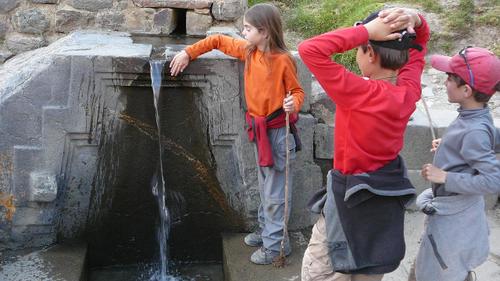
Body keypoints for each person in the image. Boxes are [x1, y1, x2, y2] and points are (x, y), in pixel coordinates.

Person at [298, 7, 430, 281]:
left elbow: (309, 49)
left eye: (359, 48)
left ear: (369, 52)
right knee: (370, 268)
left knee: (320, 270)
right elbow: (420, 46)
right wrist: (415, 19)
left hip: (349, 199)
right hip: (382, 201)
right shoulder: (408, 91)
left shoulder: (357, 92)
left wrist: (366, 31)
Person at [169, 3, 305, 265]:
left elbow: (297, 92)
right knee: (266, 186)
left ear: (265, 32)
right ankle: (268, 232)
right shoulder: (250, 51)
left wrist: (293, 103)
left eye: (248, 28)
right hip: (260, 133)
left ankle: (275, 247)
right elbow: (218, 40)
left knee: (276, 192)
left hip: (278, 136)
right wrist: (188, 52)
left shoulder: (283, 61)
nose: (243, 32)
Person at [416, 47, 500, 281]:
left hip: (454, 214)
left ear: (466, 90)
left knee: (441, 269)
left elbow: (493, 180)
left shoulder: (474, 130)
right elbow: (483, 139)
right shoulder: (475, 115)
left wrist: (444, 176)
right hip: (457, 209)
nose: (445, 81)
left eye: (450, 77)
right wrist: (449, 145)